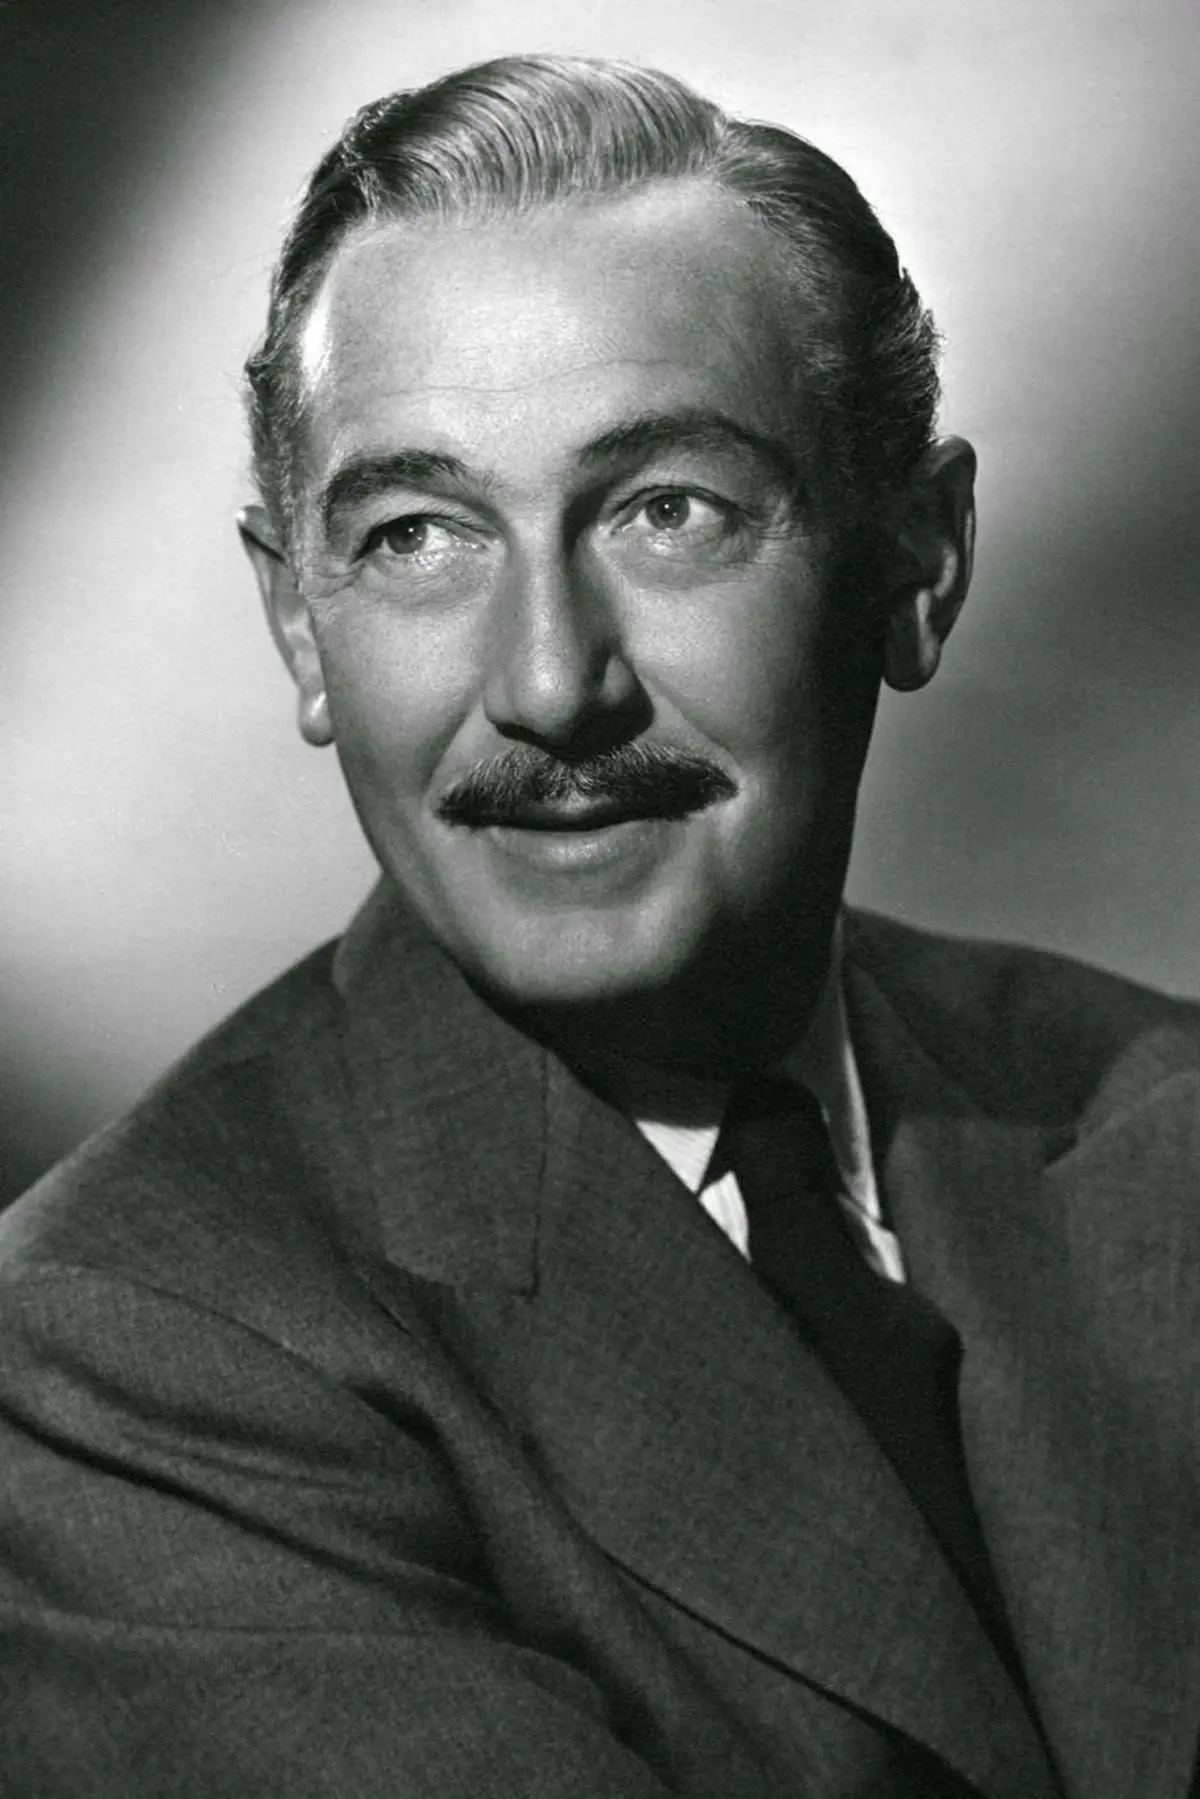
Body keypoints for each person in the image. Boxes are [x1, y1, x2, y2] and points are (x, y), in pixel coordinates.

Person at [0, 53, 1196, 1799]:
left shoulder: (1161, 1111)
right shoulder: (130, 1350)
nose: (552, 684)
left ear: (920, 560)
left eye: (667, 512)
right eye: (417, 536)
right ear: (299, 626)